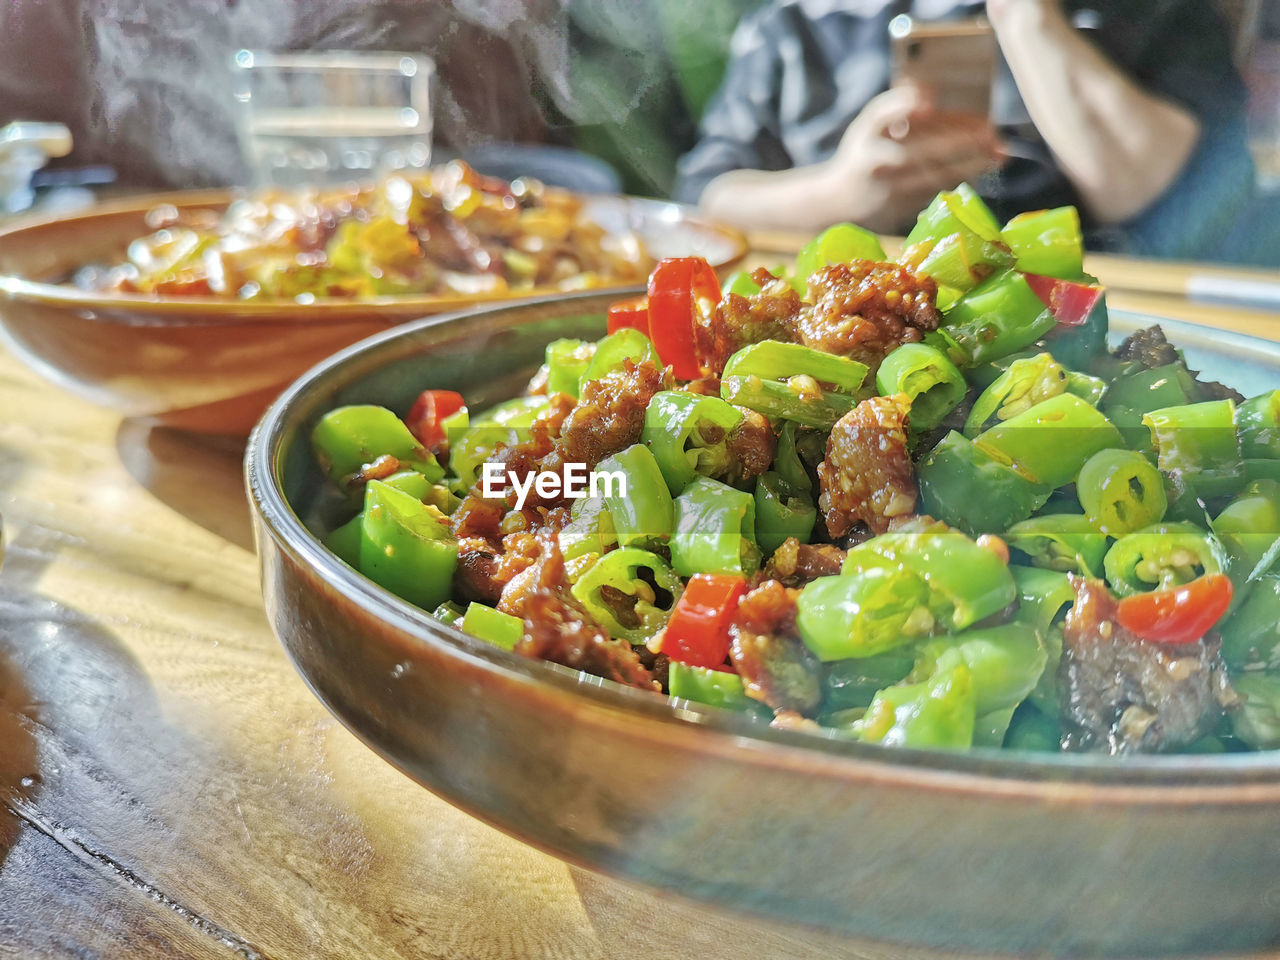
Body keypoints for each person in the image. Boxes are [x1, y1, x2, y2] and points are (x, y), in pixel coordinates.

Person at [675, 0, 1256, 260]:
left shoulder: (1159, 12)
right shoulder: (796, 24)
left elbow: (1183, 203)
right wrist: (843, 195)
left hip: (1083, 331)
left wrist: (1024, 14)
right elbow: (707, 199)